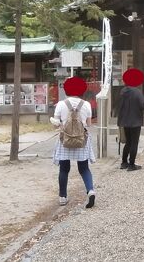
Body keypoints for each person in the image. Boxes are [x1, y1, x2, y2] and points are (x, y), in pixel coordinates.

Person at [52, 76, 96, 208]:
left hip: (65, 139)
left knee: (64, 169)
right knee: (84, 168)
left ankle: (62, 197)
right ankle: (90, 190)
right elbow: (88, 124)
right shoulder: (86, 104)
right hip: (81, 140)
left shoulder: (61, 104)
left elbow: (56, 125)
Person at [117, 68, 144, 171]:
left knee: (128, 142)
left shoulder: (123, 91)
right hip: (135, 120)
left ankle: (124, 162)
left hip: (124, 120)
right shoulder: (137, 92)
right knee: (134, 142)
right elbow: (143, 105)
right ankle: (131, 164)